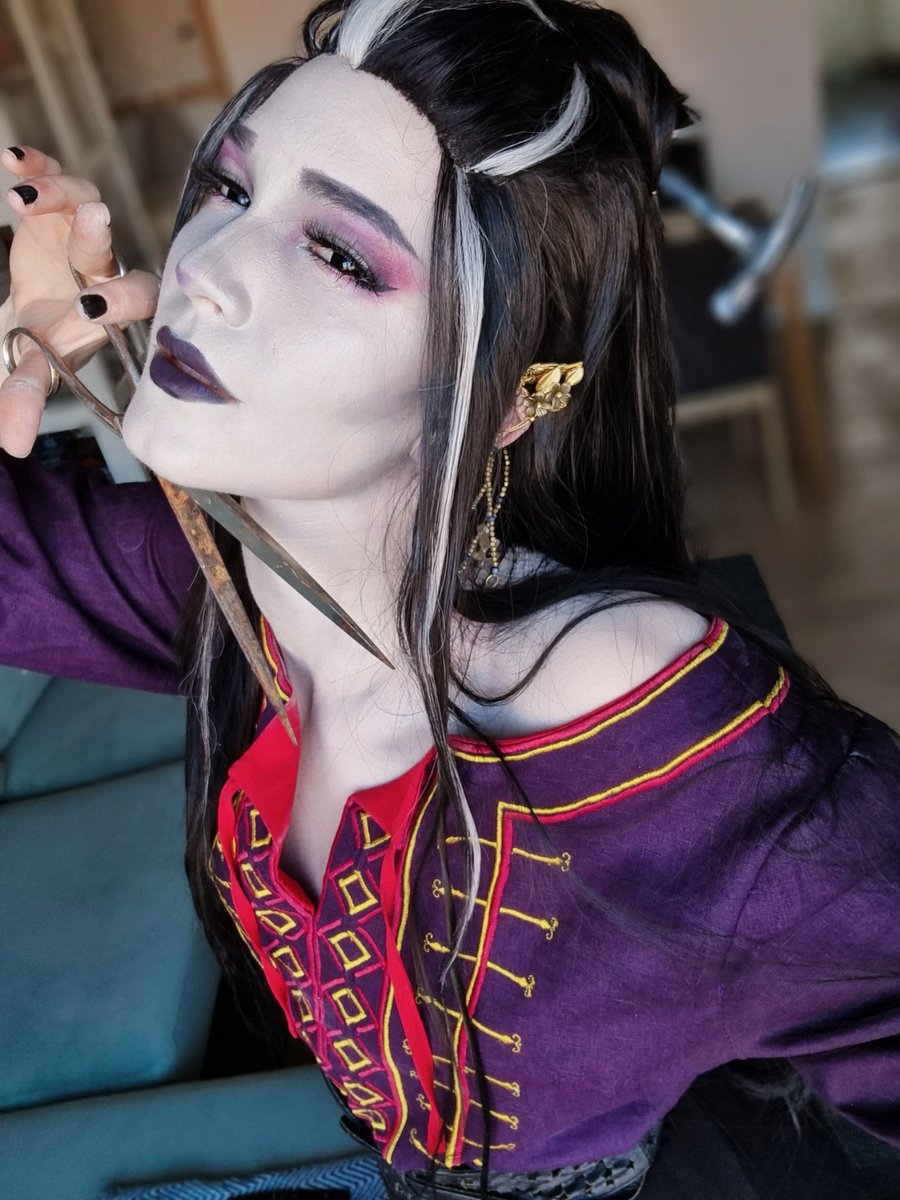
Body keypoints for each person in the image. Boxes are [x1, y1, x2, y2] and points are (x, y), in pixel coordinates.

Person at [1, 1, 899, 1197]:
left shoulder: (657, 745)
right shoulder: (223, 579)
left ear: (511, 394)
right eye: (228, 188)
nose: (205, 275)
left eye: (339, 254)